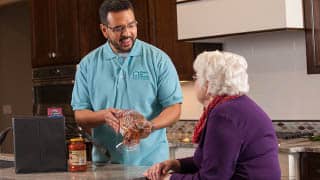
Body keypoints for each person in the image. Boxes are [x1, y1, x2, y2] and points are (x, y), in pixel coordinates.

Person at [71, 0, 182, 166]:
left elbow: (174, 108)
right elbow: (80, 114)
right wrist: (103, 116)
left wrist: (150, 126)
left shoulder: (158, 60)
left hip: (152, 165)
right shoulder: (88, 65)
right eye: (118, 28)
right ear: (104, 30)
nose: (127, 33)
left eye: (131, 25)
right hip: (105, 165)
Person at [144, 51, 281, 180]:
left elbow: (212, 178)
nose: (195, 81)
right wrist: (176, 164)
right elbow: (213, 161)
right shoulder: (236, 105)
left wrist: (169, 178)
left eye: (197, 77)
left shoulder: (224, 115)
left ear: (208, 85)